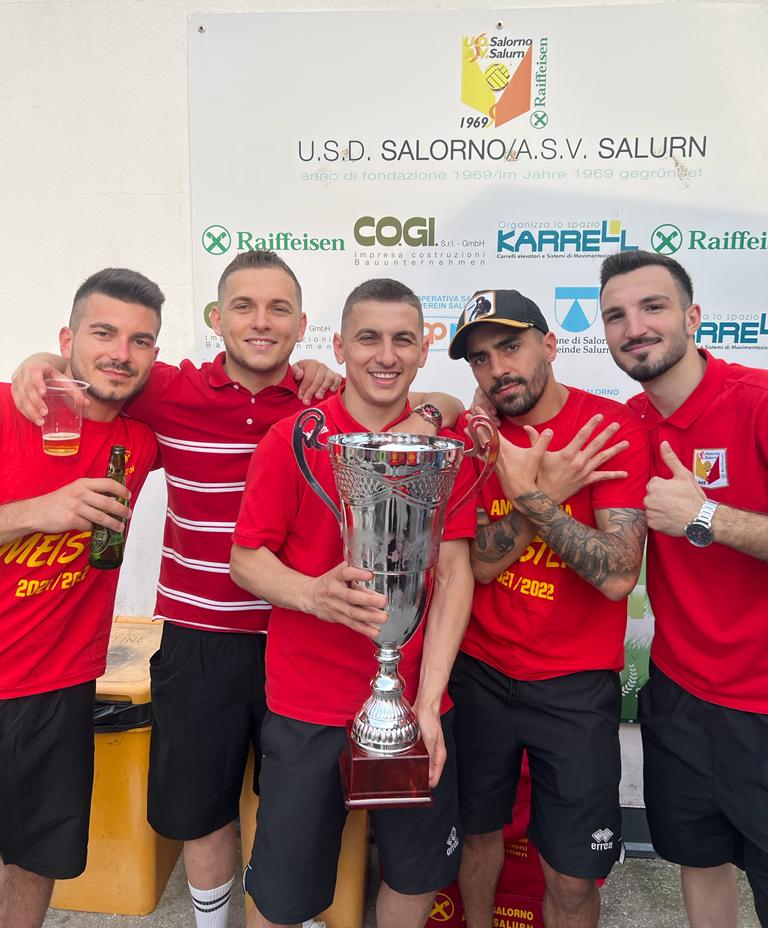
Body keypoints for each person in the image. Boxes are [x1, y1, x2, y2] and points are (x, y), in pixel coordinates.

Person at [12, 251, 458, 928]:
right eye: (244, 307)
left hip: (300, 644)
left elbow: (429, 403)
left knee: (294, 806)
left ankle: (290, 907)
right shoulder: (167, 390)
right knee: (203, 808)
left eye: (279, 309)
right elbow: (96, 365)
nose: (261, 322)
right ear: (216, 319)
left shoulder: (319, 400)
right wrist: (40, 361)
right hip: (203, 637)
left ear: (303, 327)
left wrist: (433, 407)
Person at [229, 278, 477, 928]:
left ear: (423, 350)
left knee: (416, 878)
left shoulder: (442, 449)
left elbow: (454, 575)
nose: (385, 356)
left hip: (415, 709)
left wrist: (428, 703)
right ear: (339, 347)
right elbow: (246, 560)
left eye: (403, 340)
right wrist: (312, 594)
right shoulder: (292, 439)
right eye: (369, 338)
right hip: (306, 708)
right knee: (281, 900)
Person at [446, 288, 649, 928]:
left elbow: (617, 575)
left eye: (510, 346)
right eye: (480, 358)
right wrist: (549, 493)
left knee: (572, 871)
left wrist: (532, 496)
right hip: (480, 671)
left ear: (551, 344)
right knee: (477, 836)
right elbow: (480, 564)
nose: (497, 368)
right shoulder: (474, 439)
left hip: (575, 685)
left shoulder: (607, 430)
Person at [599, 250, 768, 928]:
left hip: (762, 703)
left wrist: (706, 517)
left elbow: (705, 520)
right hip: (681, 697)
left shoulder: (756, 402)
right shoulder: (628, 424)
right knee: (699, 860)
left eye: (653, 307)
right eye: (616, 315)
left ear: (693, 317)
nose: (634, 327)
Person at [0, 268, 164, 928]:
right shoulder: (7, 410)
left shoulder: (141, 438)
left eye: (139, 340)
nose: (120, 353)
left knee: (34, 861)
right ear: (67, 339)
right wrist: (36, 513)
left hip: (58, 689)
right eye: (103, 333)